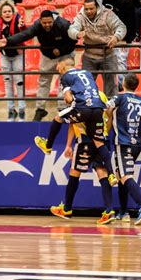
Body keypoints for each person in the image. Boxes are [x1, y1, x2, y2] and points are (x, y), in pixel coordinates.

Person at [34, 55, 118, 186]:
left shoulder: (66, 77)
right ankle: (112, 174)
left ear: (64, 65)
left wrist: (71, 99)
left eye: (58, 65)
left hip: (82, 108)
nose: (57, 68)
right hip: (97, 108)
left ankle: (48, 146)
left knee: (58, 118)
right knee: (99, 142)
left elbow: (68, 98)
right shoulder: (87, 72)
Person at [0, 10, 77, 121]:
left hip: (65, 55)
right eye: (44, 23)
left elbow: (73, 40)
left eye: (49, 22)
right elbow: (25, 34)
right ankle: (40, 109)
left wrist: (61, 50)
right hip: (48, 55)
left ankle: (62, 109)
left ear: (53, 19)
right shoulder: (37, 25)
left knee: (64, 82)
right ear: (40, 21)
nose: (47, 25)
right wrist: (8, 41)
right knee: (43, 81)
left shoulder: (63, 24)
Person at [50, 91, 116, 225]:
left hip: (85, 139)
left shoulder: (77, 96)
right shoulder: (101, 95)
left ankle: (67, 209)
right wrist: (104, 133)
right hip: (101, 138)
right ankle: (109, 210)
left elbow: (72, 123)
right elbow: (109, 115)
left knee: (75, 171)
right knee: (102, 172)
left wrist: (68, 145)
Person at [106, 73, 141, 225]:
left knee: (125, 176)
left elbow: (106, 106)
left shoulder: (119, 98)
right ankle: (123, 212)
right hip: (136, 145)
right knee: (122, 176)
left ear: (124, 84)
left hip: (123, 143)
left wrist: (109, 119)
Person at [68, 0, 126, 98]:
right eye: (86, 9)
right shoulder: (80, 16)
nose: (89, 11)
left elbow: (121, 27)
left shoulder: (107, 14)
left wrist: (116, 37)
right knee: (85, 86)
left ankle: (110, 110)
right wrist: (77, 34)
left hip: (108, 55)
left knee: (111, 86)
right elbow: (71, 29)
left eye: (91, 9)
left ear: (97, 7)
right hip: (89, 56)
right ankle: (88, 108)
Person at [96, 0, 136, 90]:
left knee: (120, 62)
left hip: (121, 38)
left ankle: (121, 88)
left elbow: (131, 22)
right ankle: (108, 89)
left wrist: (125, 39)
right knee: (104, 64)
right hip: (103, 38)